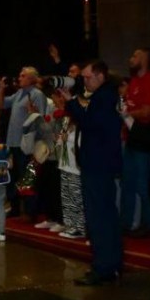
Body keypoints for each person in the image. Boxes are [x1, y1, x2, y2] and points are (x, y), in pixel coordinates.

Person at [60, 60, 123, 285]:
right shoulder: (107, 96)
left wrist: (71, 103)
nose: (84, 81)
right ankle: (111, 264)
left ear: (99, 76)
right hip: (100, 164)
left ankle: (104, 267)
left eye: (87, 77)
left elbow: (90, 123)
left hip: (98, 164)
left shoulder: (104, 97)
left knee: (99, 217)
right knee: (105, 214)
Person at [0, 67, 46, 216]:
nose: (19, 78)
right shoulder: (19, 94)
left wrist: (32, 114)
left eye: (23, 76)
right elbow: (0, 105)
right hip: (12, 143)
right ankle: (15, 208)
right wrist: (1, 88)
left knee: (26, 178)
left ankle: (31, 211)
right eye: (20, 75)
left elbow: (41, 119)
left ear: (32, 79)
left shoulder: (37, 95)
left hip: (26, 145)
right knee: (12, 177)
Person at [120, 47, 150, 237]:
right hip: (130, 138)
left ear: (145, 58)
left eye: (135, 55)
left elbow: (147, 113)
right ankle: (126, 223)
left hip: (144, 140)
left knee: (143, 185)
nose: (131, 58)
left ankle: (148, 224)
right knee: (128, 183)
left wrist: (126, 114)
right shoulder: (135, 80)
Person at [52, 92, 86, 239]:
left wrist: (67, 140)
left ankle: (79, 227)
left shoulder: (83, 125)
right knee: (66, 197)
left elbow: (82, 145)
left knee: (76, 198)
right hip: (64, 164)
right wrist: (60, 139)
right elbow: (59, 142)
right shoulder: (67, 123)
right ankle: (70, 224)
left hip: (75, 167)